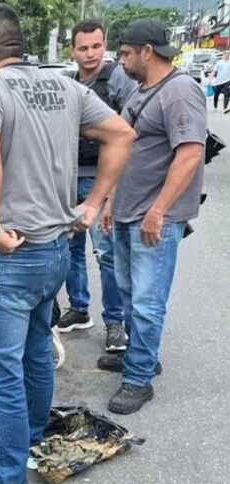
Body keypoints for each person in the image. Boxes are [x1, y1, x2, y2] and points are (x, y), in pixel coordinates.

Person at [0, 5, 135, 484]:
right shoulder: (66, 87)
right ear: (18, 45)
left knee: (0, 376)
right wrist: (92, 205)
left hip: (8, 258)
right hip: (55, 249)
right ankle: (31, 436)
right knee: (35, 350)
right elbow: (122, 134)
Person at [99, 19, 206, 415]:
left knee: (146, 301)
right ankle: (141, 356)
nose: (121, 60)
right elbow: (125, 150)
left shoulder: (180, 91)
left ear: (147, 51)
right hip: (128, 211)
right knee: (129, 294)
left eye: (125, 53)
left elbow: (190, 153)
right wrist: (110, 200)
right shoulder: (142, 91)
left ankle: (139, 378)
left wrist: (158, 211)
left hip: (153, 217)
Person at [56, 19, 137, 354]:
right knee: (69, 248)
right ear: (72, 50)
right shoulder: (68, 83)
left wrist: (114, 187)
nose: (90, 54)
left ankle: (115, 322)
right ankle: (78, 308)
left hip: (101, 178)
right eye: (83, 47)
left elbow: (131, 129)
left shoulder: (117, 78)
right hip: (69, 176)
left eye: (96, 46)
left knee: (105, 253)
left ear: (105, 47)